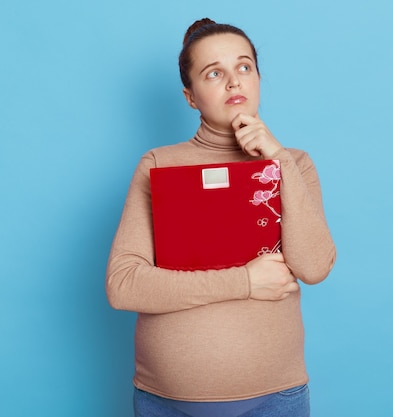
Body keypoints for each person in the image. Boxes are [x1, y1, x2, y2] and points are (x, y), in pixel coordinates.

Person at [106, 18, 336, 417]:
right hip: (166, 402)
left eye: (244, 67)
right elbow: (123, 286)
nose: (234, 83)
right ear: (190, 96)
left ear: (259, 79)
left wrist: (277, 159)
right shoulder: (159, 165)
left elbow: (314, 267)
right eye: (214, 73)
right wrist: (244, 281)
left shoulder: (294, 164)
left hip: (274, 399)